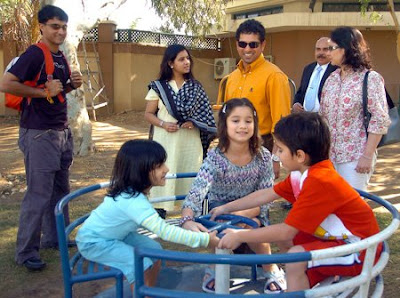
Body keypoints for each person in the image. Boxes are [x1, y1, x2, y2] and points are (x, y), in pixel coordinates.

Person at [210, 112, 383, 292]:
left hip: (360, 250)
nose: (276, 154)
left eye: (281, 150)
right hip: (342, 241)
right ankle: (300, 283)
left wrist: (239, 236)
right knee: (291, 245)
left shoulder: (321, 181)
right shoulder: (302, 175)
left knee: (295, 257)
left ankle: (298, 284)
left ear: (300, 156)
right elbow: (267, 194)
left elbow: (286, 231)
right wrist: (227, 206)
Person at [0, 5, 83, 271]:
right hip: (39, 134)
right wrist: (42, 93)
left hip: (60, 132)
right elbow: (6, 83)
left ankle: (55, 238)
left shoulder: (60, 56)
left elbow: (53, 92)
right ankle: (25, 252)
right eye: (55, 26)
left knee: (60, 190)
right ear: (42, 27)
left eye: (64, 26)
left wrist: (71, 85)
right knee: (38, 193)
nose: (60, 31)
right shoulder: (35, 53)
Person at [76, 140, 219, 292]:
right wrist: (204, 240)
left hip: (117, 235)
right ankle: (142, 293)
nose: (166, 169)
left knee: (155, 250)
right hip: (94, 242)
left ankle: (148, 290)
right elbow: (164, 231)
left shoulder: (132, 193)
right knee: (139, 265)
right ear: (140, 171)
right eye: (159, 166)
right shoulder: (132, 202)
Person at [181, 98, 286, 294]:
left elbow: (265, 197)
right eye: (235, 120)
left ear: (255, 124)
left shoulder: (262, 156)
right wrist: (187, 218)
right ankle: (215, 267)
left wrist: (242, 215)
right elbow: (198, 190)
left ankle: (271, 269)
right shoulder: (215, 157)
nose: (242, 126)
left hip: (253, 210)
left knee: (251, 225)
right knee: (216, 227)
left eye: (248, 121)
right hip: (218, 212)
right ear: (225, 124)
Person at [217, 19, 291, 179]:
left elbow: (281, 122)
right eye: (243, 44)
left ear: (263, 45)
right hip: (231, 147)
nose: (247, 49)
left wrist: (275, 158)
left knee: (255, 201)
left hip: (260, 147)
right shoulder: (232, 77)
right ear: (237, 44)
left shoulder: (274, 76)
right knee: (233, 198)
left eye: (253, 44)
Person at [144, 44, 216, 209]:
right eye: (181, 59)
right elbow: (148, 114)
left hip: (190, 141)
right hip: (165, 139)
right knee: (163, 172)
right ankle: (160, 210)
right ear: (171, 63)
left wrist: (194, 121)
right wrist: (163, 124)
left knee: (190, 173)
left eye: (188, 58)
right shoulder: (159, 87)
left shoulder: (196, 87)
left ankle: (191, 211)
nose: (187, 62)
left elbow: (206, 115)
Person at [320, 27, 390, 190]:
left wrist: (367, 156)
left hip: (355, 158)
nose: (328, 53)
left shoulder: (370, 78)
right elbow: (323, 117)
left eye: (332, 48)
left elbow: (379, 120)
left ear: (347, 49)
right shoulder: (332, 79)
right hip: (330, 157)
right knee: (330, 206)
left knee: (350, 208)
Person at [292, 37, 337, 113]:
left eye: (325, 49)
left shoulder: (336, 70)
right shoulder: (308, 69)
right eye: (318, 49)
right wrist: (296, 103)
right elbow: (301, 92)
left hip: (324, 119)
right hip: (305, 117)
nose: (321, 53)